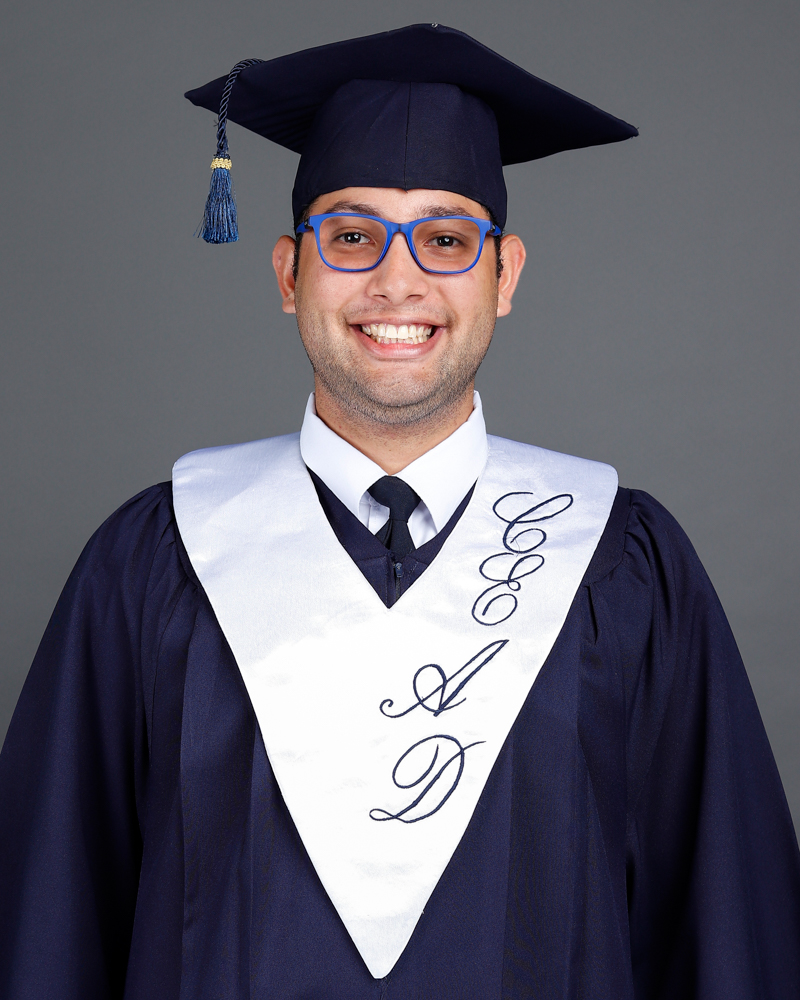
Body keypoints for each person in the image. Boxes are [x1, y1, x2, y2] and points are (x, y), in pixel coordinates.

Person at [1, 22, 798, 1000]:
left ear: (503, 276)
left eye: (446, 239)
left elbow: (726, 937)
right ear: (289, 272)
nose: (397, 280)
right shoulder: (151, 562)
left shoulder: (623, 567)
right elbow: (46, 931)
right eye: (351, 236)